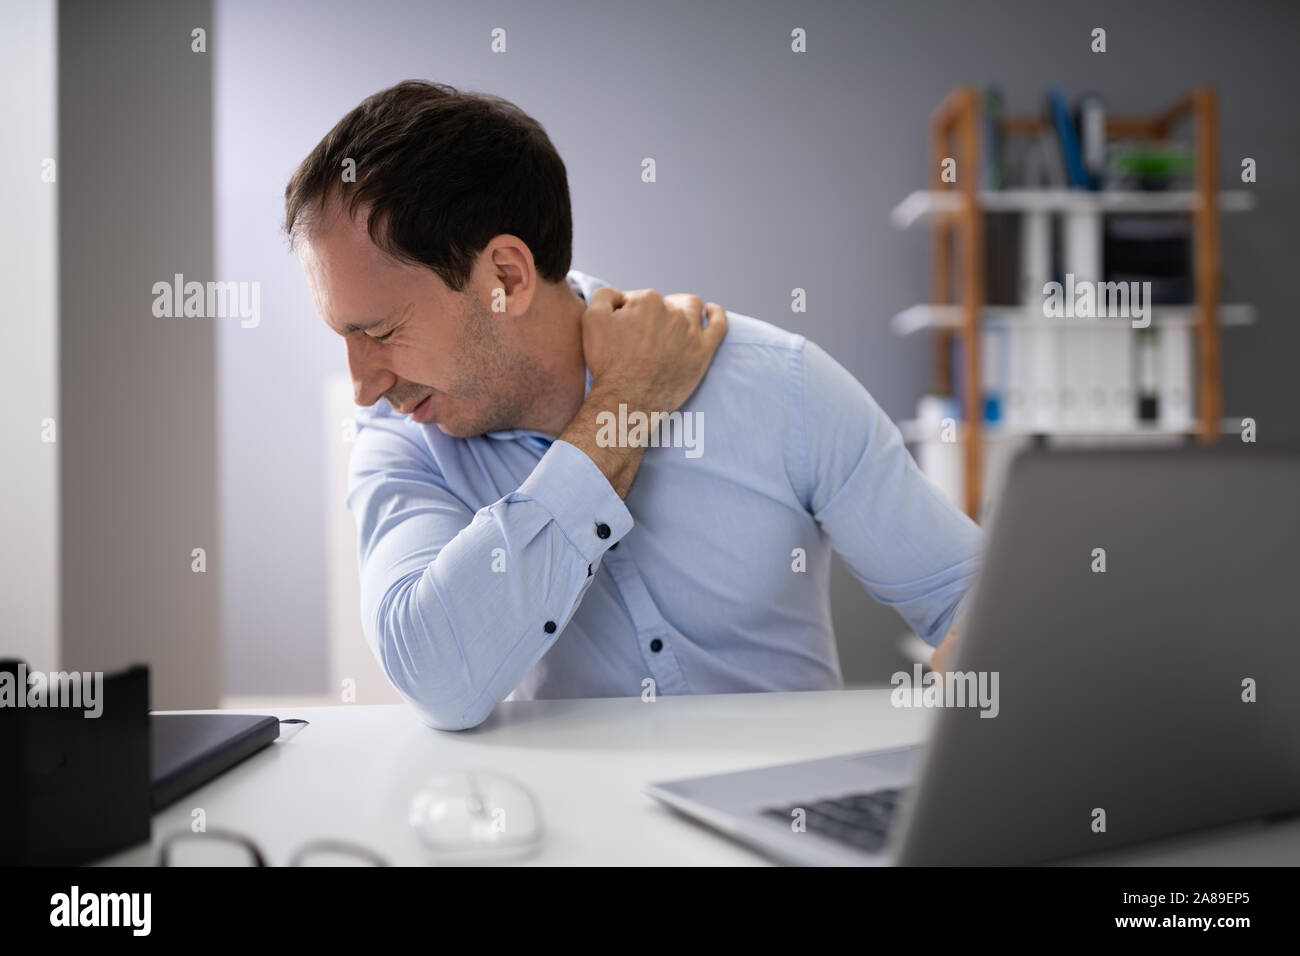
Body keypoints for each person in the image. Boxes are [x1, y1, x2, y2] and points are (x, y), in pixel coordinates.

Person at [285, 80, 982, 730]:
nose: (362, 385)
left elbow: (976, 604)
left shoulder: (778, 386)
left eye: (378, 332)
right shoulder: (401, 442)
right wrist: (625, 406)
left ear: (505, 277)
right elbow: (437, 678)